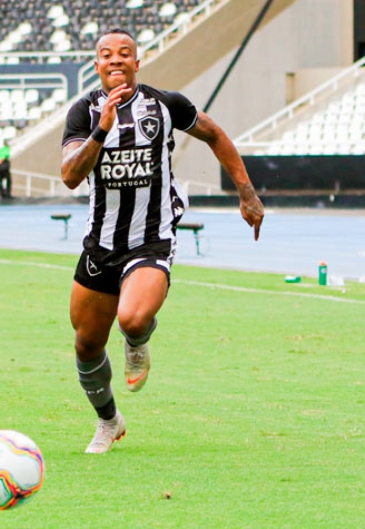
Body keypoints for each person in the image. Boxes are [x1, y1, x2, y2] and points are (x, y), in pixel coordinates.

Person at [60, 29, 264, 454]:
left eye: (124, 54)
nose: (115, 60)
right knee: (85, 344)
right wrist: (101, 132)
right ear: (96, 64)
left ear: (137, 62)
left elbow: (215, 135)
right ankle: (108, 422)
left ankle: (138, 341)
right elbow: (70, 176)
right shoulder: (83, 112)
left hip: (152, 238)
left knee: (132, 319)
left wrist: (246, 191)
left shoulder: (166, 104)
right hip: (101, 245)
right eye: (105, 55)